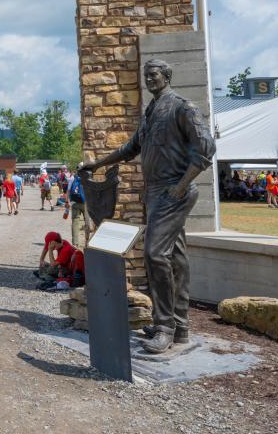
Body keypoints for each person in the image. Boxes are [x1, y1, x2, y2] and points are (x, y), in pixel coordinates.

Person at [81, 58, 216, 354]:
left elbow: (206, 149)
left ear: (167, 76)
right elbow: (131, 148)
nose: (149, 79)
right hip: (156, 192)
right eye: (146, 75)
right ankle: (179, 327)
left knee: (155, 254)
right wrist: (98, 163)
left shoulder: (182, 107)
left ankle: (165, 326)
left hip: (174, 191)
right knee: (175, 258)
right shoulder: (151, 111)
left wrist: (180, 186)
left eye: (154, 75)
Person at [66, 168, 92, 249]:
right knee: (87, 223)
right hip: (86, 203)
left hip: (75, 202)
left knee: (75, 223)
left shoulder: (73, 178)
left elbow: (68, 190)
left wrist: (67, 202)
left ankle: (75, 243)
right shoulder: (89, 176)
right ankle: (88, 242)